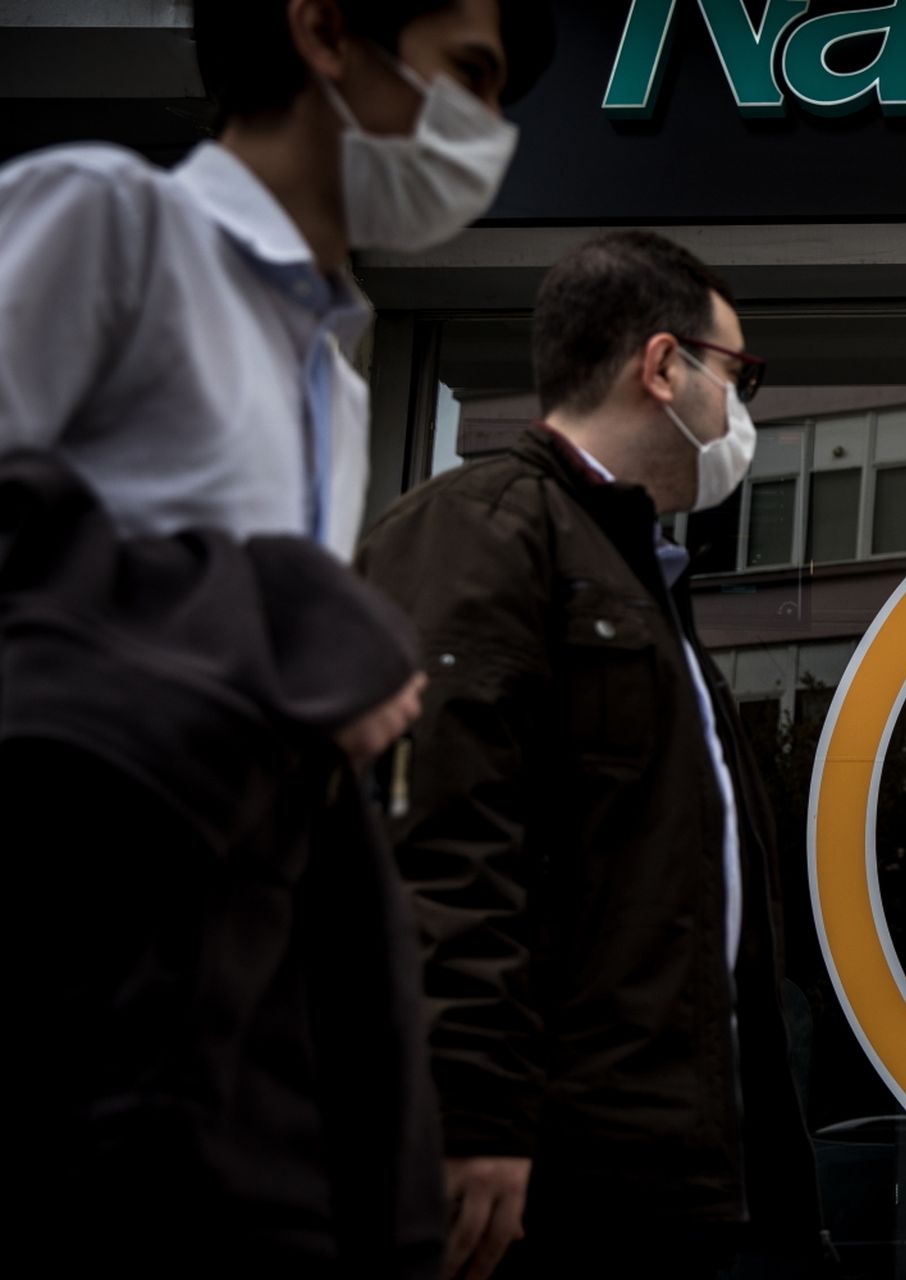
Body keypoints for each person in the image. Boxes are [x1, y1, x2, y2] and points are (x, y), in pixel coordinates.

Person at [0, 1, 551, 1274]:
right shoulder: (111, 221)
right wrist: (279, 636)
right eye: (468, 75)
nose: (489, 129)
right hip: (82, 950)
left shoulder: (333, 374)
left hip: (232, 984)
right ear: (321, 31)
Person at [356, 231, 829, 1279]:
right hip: (559, 1184)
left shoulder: (643, 579)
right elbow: (435, 844)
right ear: (663, 367)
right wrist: (468, 1105)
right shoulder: (477, 537)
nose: (738, 410)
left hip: (677, 1171)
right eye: (736, 374)